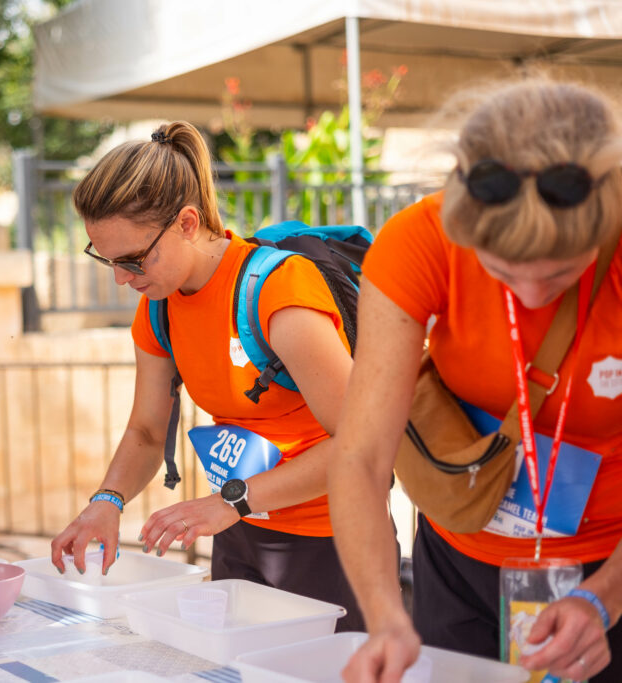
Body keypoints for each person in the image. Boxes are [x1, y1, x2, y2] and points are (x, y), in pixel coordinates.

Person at [328, 79, 622, 682]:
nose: (532, 294)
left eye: (562, 273)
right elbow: (359, 457)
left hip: (609, 561)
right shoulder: (420, 241)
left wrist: (604, 598)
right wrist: (386, 615)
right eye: (502, 271)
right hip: (458, 552)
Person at [50, 121, 375, 631]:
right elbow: (146, 431)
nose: (121, 278)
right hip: (238, 530)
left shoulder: (278, 291)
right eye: (107, 260)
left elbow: (363, 441)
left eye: (133, 259)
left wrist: (233, 499)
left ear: (185, 222)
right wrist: (106, 502)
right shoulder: (158, 306)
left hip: (332, 537)